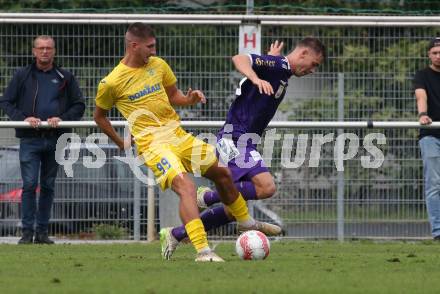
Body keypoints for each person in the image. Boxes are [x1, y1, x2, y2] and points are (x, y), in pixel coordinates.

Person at [93, 22, 280, 262]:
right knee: (187, 188)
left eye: (154, 46)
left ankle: (245, 222)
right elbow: (99, 117)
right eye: (149, 47)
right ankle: (203, 251)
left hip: (178, 136)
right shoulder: (111, 82)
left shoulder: (158, 66)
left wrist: (189, 99)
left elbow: (173, 96)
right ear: (133, 45)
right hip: (153, 145)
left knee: (222, 173)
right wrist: (120, 142)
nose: (153, 51)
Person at [163, 37, 326, 256]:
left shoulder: (280, 69)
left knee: (232, 211)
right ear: (304, 53)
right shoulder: (278, 66)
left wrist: (270, 61)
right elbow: (239, 59)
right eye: (314, 64)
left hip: (243, 140)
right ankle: (207, 197)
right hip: (235, 138)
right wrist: (256, 76)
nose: (313, 70)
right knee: (267, 187)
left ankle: (176, 234)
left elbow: (271, 69)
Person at [0, 35, 85, 244]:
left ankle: (42, 232)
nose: (45, 52)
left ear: (54, 51)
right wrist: (23, 119)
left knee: (48, 185)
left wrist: (62, 118)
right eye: (41, 48)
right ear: (34, 51)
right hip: (30, 139)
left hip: (55, 140)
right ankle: (27, 232)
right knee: (29, 185)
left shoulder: (65, 76)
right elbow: (6, 102)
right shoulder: (22, 76)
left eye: (48, 48)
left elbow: (79, 105)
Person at [414, 37, 440, 241]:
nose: (438, 56)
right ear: (429, 55)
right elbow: (421, 96)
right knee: (434, 184)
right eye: (435, 53)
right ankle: (438, 232)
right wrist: (423, 114)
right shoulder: (422, 75)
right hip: (431, 135)